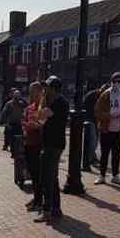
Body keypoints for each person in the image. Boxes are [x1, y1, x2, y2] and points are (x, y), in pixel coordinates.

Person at [35, 76, 69, 224]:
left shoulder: (59, 102)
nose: (44, 90)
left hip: (53, 145)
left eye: (46, 88)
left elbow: (40, 115)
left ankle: (47, 210)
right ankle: (55, 208)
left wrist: (42, 100)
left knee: (47, 178)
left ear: (53, 88)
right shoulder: (56, 101)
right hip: (51, 143)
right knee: (52, 177)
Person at [94, 72, 120, 186]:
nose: (117, 84)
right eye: (115, 81)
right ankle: (102, 176)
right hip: (106, 129)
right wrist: (109, 115)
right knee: (104, 153)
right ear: (111, 82)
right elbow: (97, 111)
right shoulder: (105, 95)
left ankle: (115, 176)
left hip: (119, 129)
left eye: (119, 81)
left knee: (116, 153)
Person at [22, 81, 44, 211]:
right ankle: (36, 198)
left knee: (38, 174)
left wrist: (36, 126)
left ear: (40, 92)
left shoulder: (43, 107)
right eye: (30, 91)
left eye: (34, 91)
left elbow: (45, 125)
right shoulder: (29, 108)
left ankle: (39, 200)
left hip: (38, 144)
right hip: (28, 143)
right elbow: (24, 120)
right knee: (32, 173)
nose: (31, 94)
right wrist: (25, 126)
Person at [82, 85, 103, 171]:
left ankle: (92, 157)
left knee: (94, 140)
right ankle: (89, 159)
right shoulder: (92, 95)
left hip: (94, 120)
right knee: (93, 140)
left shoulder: (98, 95)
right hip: (90, 120)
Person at [1, 90, 25, 157]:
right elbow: (4, 113)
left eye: (18, 95)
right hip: (11, 124)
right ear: (14, 96)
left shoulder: (22, 103)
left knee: (19, 139)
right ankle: (13, 153)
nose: (17, 97)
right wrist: (6, 123)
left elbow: (25, 112)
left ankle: (18, 152)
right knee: (12, 139)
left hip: (19, 124)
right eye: (16, 95)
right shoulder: (9, 104)